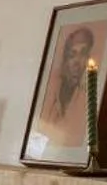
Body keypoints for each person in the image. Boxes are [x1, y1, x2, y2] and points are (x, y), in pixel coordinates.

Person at [34, 22, 99, 150]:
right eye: (72, 55)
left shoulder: (85, 96)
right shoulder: (53, 89)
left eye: (83, 53)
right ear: (66, 60)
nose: (76, 61)